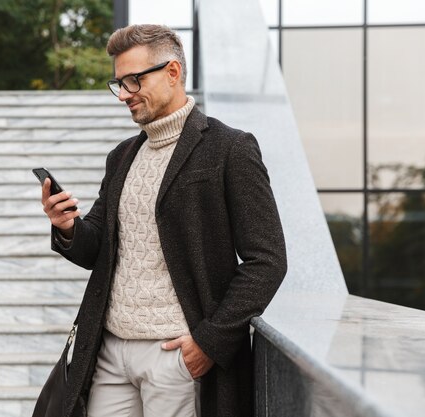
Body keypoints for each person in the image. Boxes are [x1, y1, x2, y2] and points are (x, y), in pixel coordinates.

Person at [40, 24, 287, 417]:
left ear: (172, 73)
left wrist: (209, 342)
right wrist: (68, 226)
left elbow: (267, 259)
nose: (124, 94)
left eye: (134, 80)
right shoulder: (122, 156)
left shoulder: (230, 148)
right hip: (108, 352)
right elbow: (97, 249)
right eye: (118, 83)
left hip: (175, 356)